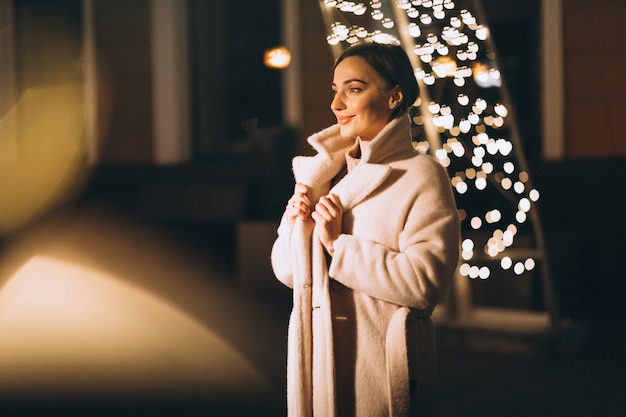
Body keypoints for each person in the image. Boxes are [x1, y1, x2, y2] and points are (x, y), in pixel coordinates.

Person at [271, 41, 460, 417]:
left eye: (353, 89)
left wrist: (337, 246)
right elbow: (288, 273)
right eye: (335, 90)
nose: (336, 104)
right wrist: (298, 225)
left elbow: (424, 284)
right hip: (320, 358)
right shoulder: (322, 175)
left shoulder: (421, 175)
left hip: (379, 368)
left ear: (395, 96)